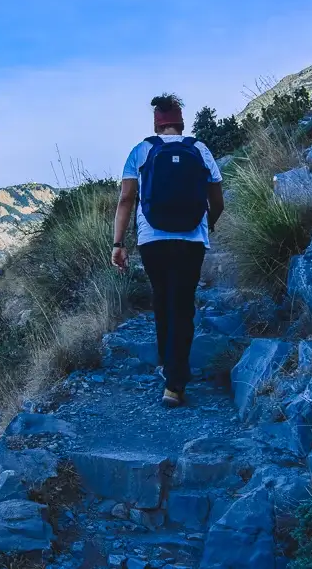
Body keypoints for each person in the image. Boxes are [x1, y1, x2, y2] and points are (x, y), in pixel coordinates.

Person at [111, 93, 225, 407]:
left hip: (152, 239)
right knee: (183, 304)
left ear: (156, 125)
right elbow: (217, 201)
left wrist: (118, 244)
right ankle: (175, 384)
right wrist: (207, 223)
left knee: (162, 298)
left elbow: (125, 200)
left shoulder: (141, 151)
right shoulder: (200, 150)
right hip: (191, 239)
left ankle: (166, 363)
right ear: (181, 122)